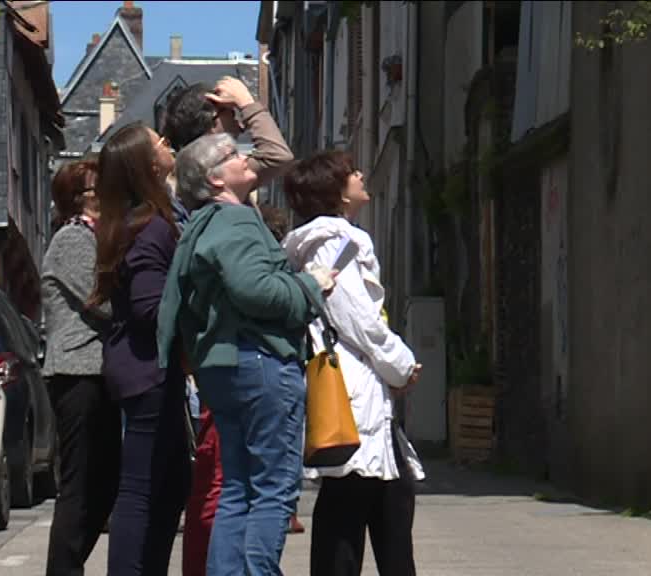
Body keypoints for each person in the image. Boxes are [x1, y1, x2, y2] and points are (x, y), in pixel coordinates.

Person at [158, 133, 335, 576]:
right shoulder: (234, 221)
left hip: (224, 367)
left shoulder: (203, 223)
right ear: (216, 180)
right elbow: (254, 289)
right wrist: (311, 285)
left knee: (238, 487)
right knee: (273, 489)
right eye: (232, 155)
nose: (245, 158)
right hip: (260, 361)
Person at [281, 151, 425, 576]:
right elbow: (356, 317)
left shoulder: (333, 238)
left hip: (360, 383)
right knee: (350, 508)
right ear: (336, 193)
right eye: (350, 173)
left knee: (388, 498)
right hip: (353, 384)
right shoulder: (334, 241)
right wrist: (401, 362)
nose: (361, 175)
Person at [89, 123, 191, 575]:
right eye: (159, 142)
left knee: (170, 483)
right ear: (147, 164)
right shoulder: (151, 226)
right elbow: (152, 308)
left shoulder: (142, 220)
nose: (168, 145)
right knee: (141, 488)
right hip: (147, 371)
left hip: (146, 370)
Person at [43, 160, 120, 576]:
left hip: (98, 372)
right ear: (79, 199)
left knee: (106, 481)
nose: (107, 195)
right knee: (79, 483)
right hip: (77, 373)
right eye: (97, 190)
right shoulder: (72, 239)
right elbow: (101, 301)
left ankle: (69, 565)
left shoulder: (96, 237)